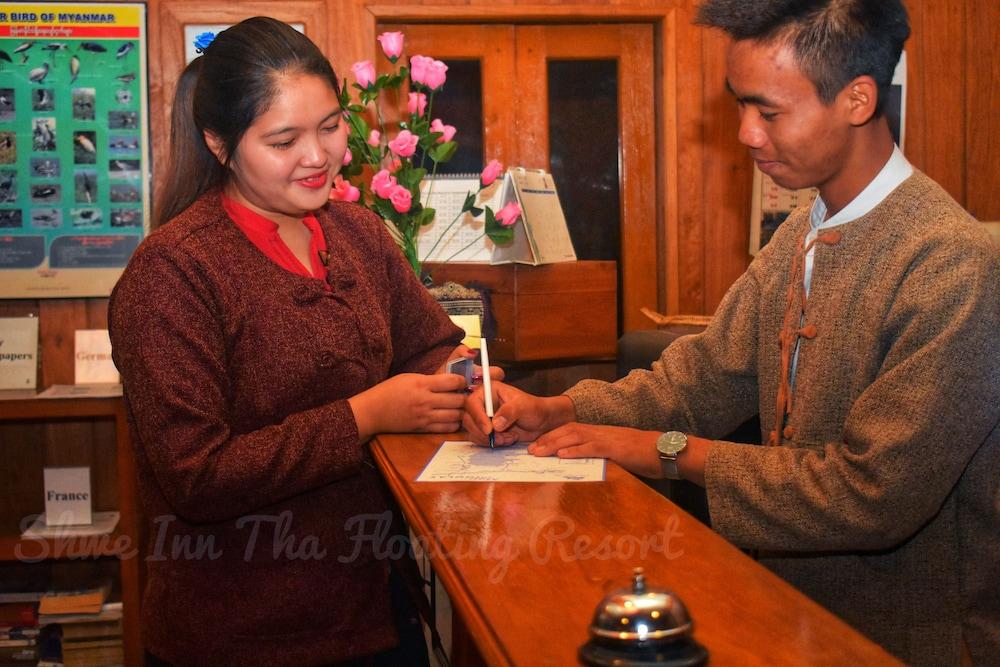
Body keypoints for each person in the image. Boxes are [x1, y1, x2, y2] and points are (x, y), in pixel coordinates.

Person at [464, 1, 999, 665]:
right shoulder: (804, 233)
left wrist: (665, 450)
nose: (745, 133)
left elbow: (872, 494)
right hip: (786, 616)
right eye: (738, 105)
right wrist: (557, 410)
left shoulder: (951, 261)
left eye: (768, 111)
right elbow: (701, 379)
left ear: (859, 99)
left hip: (907, 641)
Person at [110, 17, 482, 666]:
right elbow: (196, 475)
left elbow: (429, 344)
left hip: (376, 610)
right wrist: (364, 416)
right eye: (284, 140)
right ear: (219, 145)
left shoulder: (359, 234)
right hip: (240, 636)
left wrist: (466, 381)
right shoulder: (173, 271)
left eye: (332, 126)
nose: (318, 157)